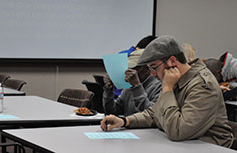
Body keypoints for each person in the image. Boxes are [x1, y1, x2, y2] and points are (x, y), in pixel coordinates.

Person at [100, 36, 234, 148]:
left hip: (210, 146)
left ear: (172, 61)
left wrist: (167, 89)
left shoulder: (203, 85)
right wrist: (124, 121)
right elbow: (154, 113)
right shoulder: (177, 78)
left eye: (154, 67)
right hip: (187, 144)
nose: (152, 74)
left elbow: (178, 131)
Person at [103, 48, 161, 116]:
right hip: (127, 125)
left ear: (147, 69)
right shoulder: (129, 86)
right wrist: (108, 92)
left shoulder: (159, 85)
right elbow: (113, 112)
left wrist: (136, 86)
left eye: (134, 68)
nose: (129, 71)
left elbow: (152, 115)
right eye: (128, 68)